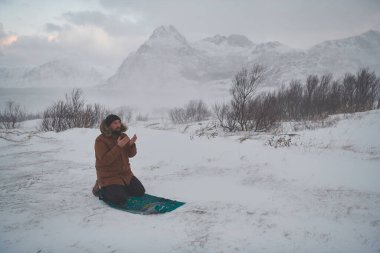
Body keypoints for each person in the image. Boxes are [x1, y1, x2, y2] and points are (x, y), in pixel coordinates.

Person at [92, 114, 145, 205]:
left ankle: (119, 188)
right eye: (115, 123)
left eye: (119, 122)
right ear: (108, 125)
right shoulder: (100, 140)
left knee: (139, 191)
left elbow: (131, 155)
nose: (118, 125)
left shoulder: (123, 136)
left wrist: (131, 145)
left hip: (126, 174)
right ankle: (100, 188)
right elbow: (105, 160)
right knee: (120, 199)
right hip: (109, 176)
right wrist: (118, 147)